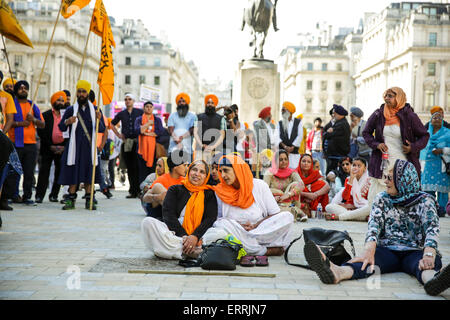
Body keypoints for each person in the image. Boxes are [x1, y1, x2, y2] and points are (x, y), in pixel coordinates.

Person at [304, 160, 450, 297]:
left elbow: (432, 228)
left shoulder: (425, 200)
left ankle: (434, 281)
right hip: (387, 250)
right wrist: (368, 250)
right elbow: (374, 226)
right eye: (385, 176)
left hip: (416, 250)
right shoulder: (382, 198)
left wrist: (429, 254)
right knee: (367, 262)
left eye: (390, 178)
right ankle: (337, 272)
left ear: (404, 179)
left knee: (425, 266)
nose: (385, 181)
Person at [202, 154, 294, 260]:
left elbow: (274, 214)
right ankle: (264, 250)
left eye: (226, 170)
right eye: (221, 171)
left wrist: (255, 226)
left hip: (261, 232)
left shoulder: (259, 185)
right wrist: (238, 225)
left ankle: (247, 246)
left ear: (237, 169)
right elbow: (217, 219)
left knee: (287, 216)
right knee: (221, 225)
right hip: (235, 231)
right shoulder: (220, 192)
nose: (222, 175)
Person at [362, 87, 429, 206]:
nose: (387, 98)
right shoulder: (378, 114)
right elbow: (366, 132)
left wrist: (412, 147)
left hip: (402, 162)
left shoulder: (410, 116)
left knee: (401, 193)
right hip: (381, 162)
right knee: (378, 198)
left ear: (399, 98)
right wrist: (376, 145)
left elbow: (424, 136)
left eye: (390, 96)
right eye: (386, 96)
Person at [141, 160, 218, 260]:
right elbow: (168, 215)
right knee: (147, 222)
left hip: (199, 236)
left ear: (206, 177)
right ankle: (192, 251)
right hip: (176, 233)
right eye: (194, 170)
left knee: (219, 233)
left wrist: (195, 236)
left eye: (202, 172)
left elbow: (210, 219)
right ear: (189, 171)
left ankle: (177, 251)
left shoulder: (209, 194)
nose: (197, 174)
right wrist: (184, 237)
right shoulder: (175, 189)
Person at [57, 80, 105, 210]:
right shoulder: (71, 109)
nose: (81, 94)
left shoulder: (95, 110)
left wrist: (99, 119)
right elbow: (61, 127)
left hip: (89, 148)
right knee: (73, 173)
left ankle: (90, 199)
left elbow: (101, 129)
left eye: (84, 91)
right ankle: (70, 200)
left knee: (89, 174)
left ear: (88, 93)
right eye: (79, 91)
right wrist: (68, 121)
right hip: (74, 148)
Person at [7, 81, 45, 205]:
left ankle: (27, 196)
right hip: (15, 143)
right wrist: (20, 124)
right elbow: (8, 121)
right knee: (14, 171)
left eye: (25, 88)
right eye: (20, 88)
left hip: (30, 144)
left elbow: (42, 124)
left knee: (29, 172)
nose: (23, 90)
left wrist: (33, 119)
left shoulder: (32, 106)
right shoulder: (12, 104)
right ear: (16, 90)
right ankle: (12, 195)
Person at [35, 91, 67, 203]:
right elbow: (41, 131)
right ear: (53, 101)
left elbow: (70, 132)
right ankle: (39, 195)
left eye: (62, 100)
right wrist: (50, 146)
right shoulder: (45, 115)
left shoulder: (66, 115)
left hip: (62, 148)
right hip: (48, 148)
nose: (60, 102)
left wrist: (63, 146)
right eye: (58, 100)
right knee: (44, 172)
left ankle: (54, 195)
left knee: (59, 172)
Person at [110, 93, 143, 198]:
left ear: (133, 101)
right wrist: (119, 135)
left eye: (130, 99)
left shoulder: (139, 112)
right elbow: (111, 124)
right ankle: (132, 190)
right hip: (127, 142)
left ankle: (139, 190)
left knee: (138, 166)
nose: (128, 101)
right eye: (126, 99)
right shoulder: (122, 113)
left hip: (137, 142)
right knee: (130, 167)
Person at [420, 107, 450, 216]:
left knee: (442, 190)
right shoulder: (425, 134)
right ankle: (429, 209)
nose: (437, 119)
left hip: (442, 164)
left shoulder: (448, 133)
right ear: (431, 120)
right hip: (428, 165)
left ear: (442, 121)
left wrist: (442, 150)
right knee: (428, 190)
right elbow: (421, 149)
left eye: (439, 118)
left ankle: (441, 210)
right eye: (434, 117)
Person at [263, 150, 307, 222]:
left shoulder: (292, 172)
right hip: (275, 202)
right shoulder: (269, 173)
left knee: (295, 184)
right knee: (274, 191)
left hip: (290, 203)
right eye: (281, 160)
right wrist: (275, 197)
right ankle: (298, 212)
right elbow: (264, 190)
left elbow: (302, 185)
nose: (284, 161)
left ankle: (292, 211)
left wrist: (288, 195)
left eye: (285, 159)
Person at [142, 151, 188, 219]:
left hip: (178, 212)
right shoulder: (162, 179)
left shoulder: (185, 180)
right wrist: (158, 197)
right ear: (175, 166)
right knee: (158, 187)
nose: (186, 168)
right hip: (160, 213)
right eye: (184, 165)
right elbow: (145, 198)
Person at [135, 101, 165, 186]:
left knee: (153, 169)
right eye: (147, 106)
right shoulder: (139, 119)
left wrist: (146, 133)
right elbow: (138, 130)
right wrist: (148, 124)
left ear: (153, 108)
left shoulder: (157, 119)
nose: (148, 108)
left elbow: (160, 131)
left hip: (153, 149)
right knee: (141, 170)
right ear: (143, 108)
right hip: (141, 149)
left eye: (150, 107)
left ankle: (152, 187)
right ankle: (141, 189)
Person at [193, 94, 226, 162]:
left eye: (212, 103)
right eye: (208, 102)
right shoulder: (198, 117)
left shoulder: (221, 118)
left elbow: (222, 135)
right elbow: (195, 133)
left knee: (214, 171)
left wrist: (212, 147)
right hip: (201, 150)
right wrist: (202, 145)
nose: (210, 104)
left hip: (216, 151)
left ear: (215, 104)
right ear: (205, 104)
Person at [323, 104, 351, 174]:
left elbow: (327, 135)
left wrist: (328, 132)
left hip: (338, 155)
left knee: (333, 174)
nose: (333, 115)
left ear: (340, 114)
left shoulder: (341, 124)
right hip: (334, 155)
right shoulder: (339, 123)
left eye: (335, 113)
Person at [168, 93, 197, 160]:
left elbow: (192, 130)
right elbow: (170, 130)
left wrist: (181, 137)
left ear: (187, 103)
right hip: (173, 148)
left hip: (187, 149)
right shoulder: (172, 116)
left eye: (183, 101)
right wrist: (177, 141)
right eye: (179, 101)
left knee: (186, 169)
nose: (181, 103)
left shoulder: (192, 116)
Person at [275, 102, 303, 169]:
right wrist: (284, 146)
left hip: (294, 154)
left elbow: (300, 136)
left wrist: (292, 147)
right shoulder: (280, 123)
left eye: (283, 110)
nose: (281, 112)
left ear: (289, 111)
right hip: (282, 154)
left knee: (294, 171)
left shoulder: (298, 122)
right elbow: (276, 136)